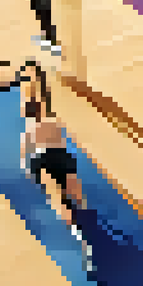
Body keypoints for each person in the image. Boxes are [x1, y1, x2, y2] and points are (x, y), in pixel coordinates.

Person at [21, 95, 93, 271]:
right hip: (60, 156)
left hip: (42, 160)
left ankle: (76, 233)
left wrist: (30, 173)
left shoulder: (29, 130)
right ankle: (84, 223)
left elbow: (24, 157)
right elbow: (68, 138)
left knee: (59, 200)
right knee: (76, 197)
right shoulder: (53, 122)